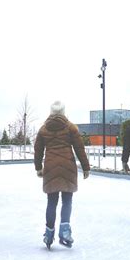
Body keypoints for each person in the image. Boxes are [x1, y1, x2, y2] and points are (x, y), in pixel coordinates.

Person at [34, 101, 90, 249]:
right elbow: (79, 148)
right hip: (67, 167)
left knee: (51, 202)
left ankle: (49, 233)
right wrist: (86, 167)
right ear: (63, 112)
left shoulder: (43, 129)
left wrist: (38, 167)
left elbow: (38, 150)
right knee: (67, 200)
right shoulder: (71, 127)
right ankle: (64, 232)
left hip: (51, 166)